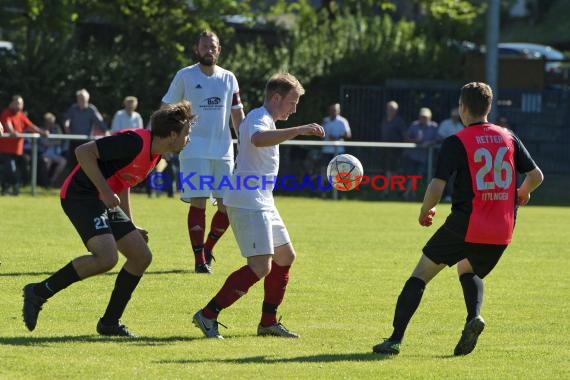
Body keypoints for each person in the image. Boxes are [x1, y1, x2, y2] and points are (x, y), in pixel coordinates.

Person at [372, 82, 544, 356]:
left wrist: (424, 210)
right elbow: (536, 176)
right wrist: (522, 193)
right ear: (489, 107)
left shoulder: (457, 141)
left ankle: (394, 339)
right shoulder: (508, 136)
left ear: (463, 108)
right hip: (502, 228)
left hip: (466, 224)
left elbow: (437, 186)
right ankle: (473, 317)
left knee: (419, 276)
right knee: (468, 269)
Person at [22, 101, 195, 337]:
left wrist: (130, 224)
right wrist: (103, 190)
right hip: (80, 195)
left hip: (103, 198)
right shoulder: (134, 141)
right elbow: (83, 152)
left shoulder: (154, 154)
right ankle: (39, 292)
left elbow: (123, 183)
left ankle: (109, 323)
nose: (188, 138)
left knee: (141, 256)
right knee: (106, 258)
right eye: (187, 134)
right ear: (172, 134)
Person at [192, 73, 324, 339]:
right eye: (292, 102)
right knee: (260, 267)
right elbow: (258, 139)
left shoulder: (267, 119)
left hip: (262, 199)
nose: (294, 108)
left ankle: (268, 322)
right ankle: (207, 314)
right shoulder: (258, 117)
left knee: (285, 256)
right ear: (276, 98)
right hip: (247, 201)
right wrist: (297, 130)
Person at [162, 31, 245, 274]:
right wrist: (168, 138)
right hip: (193, 149)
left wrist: (247, 143)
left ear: (219, 50)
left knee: (227, 205)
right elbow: (167, 107)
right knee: (198, 201)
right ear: (196, 50)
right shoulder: (185, 76)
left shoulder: (229, 78)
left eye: (213, 46)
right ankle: (199, 259)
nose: (209, 50)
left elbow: (237, 115)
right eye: (205, 46)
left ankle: (208, 248)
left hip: (223, 150)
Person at [0, 95, 48, 195]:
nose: (19, 106)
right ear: (12, 103)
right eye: (17, 103)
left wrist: (42, 132)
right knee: (10, 169)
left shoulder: (21, 115)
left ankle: (10, 188)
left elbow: (30, 126)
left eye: (21, 103)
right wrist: (12, 132)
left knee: (21, 169)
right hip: (5, 150)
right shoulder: (6, 113)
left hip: (18, 150)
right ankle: (12, 188)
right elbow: (8, 126)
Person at [63, 88, 108, 170]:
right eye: (79, 98)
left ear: (87, 99)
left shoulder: (91, 110)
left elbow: (100, 122)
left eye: (83, 98)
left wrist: (106, 132)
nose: (81, 100)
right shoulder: (73, 108)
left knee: (85, 166)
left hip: (86, 142)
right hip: (73, 141)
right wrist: (66, 125)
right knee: (72, 165)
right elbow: (67, 120)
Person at [402, 107, 439, 201]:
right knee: (411, 175)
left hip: (424, 157)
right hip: (413, 155)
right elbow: (406, 138)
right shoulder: (414, 125)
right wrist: (415, 141)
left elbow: (437, 139)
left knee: (417, 176)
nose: (424, 119)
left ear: (430, 117)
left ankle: (407, 193)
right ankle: (411, 194)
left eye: (425, 117)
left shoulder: (434, 126)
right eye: (422, 117)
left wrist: (429, 143)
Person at [379, 101, 407, 196]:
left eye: (393, 110)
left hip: (396, 150)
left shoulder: (399, 121)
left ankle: (386, 191)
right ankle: (400, 189)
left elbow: (404, 136)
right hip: (385, 150)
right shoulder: (384, 120)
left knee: (391, 171)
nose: (391, 111)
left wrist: (404, 149)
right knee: (390, 171)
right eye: (389, 109)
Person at [437, 107, 464, 202]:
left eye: (457, 116)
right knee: (443, 176)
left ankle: (451, 195)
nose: (455, 118)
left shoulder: (460, 126)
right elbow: (440, 137)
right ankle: (443, 195)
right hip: (445, 155)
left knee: (454, 177)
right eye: (454, 116)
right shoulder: (445, 124)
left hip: (456, 156)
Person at [41, 112, 67, 188]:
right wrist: (55, 142)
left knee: (63, 162)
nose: (51, 124)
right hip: (46, 153)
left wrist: (53, 141)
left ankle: (53, 180)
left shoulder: (56, 128)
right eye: (49, 122)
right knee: (47, 162)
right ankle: (45, 182)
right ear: (46, 122)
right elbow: (45, 143)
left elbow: (60, 140)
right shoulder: (42, 130)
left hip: (55, 154)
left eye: (52, 122)